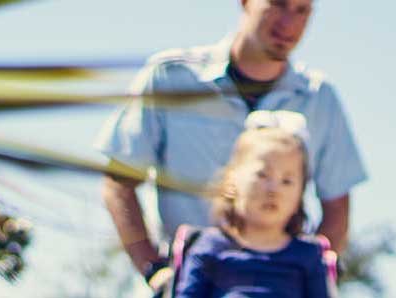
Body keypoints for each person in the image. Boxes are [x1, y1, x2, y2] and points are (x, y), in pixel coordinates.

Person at [92, 0, 366, 288]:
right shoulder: (170, 77)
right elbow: (118, 184)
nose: (289, 23)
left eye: (302, 10)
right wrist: (155, 271)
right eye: (278, 4)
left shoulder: (320, 97)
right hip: (185, 284)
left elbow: (337, 209)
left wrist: (306, 276)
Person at [170, 111, 338, 298]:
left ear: (300, 194)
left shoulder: (307, 255)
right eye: (262, 175)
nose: (274, 189)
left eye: (287, 181)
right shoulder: (211, 246)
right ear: (233, 181)